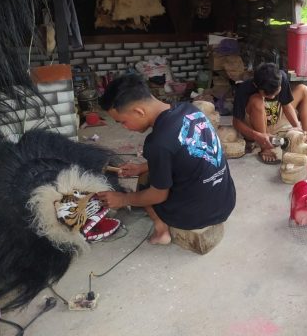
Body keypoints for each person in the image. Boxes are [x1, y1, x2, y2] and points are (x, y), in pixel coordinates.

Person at [96, 74, 236, 245]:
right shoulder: (190, 110)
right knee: (149, 173)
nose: (124, 127)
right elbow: (185, 153)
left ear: (139, 111)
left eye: (122, 122)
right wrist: (142, 167)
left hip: (196, 215)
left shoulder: (157, 142)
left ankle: (161, 229)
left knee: (146, 188)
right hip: (225, 201)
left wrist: (122, 199)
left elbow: (158, 196)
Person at [232, 62, 307, 163]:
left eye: (275, 92)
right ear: (256, 85)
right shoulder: (244, 88)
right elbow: (236, 122)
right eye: (268, 94)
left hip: (276, 120)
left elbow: (287, 105)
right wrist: (256, 135)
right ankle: (265, 146)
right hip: (257, 127)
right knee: (257, 100)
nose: (273, 97)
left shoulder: (281, 77)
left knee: (304, 90)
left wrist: (298, 128)